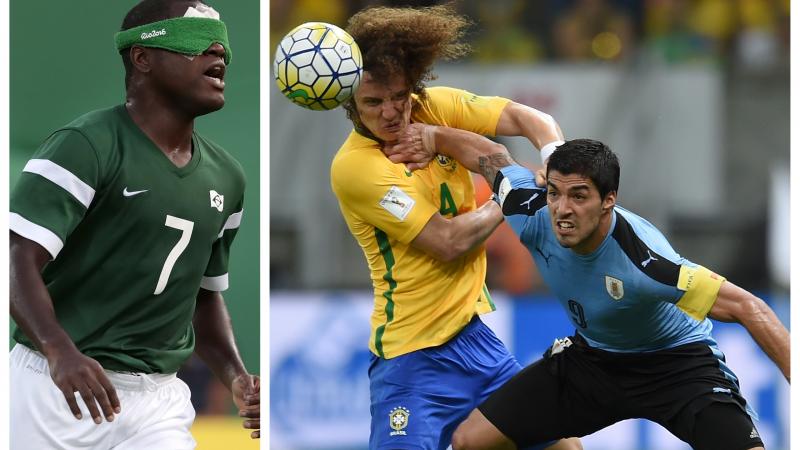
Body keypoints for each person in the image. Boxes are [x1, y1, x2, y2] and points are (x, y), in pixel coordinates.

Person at [384, 132, 790, 450]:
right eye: (556, 192)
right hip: (594, 360)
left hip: (677, 366)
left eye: (579, 196)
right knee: (471, 441)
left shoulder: (645, 260)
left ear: (608, 201)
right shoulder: (530, 208)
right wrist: (431, 136)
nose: (562, 209)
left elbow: (747, 306)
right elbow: (489, 156)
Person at [9, 1, 259, 448]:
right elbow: (15, 261)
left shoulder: (228, 177)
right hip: (53, 390)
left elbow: (202, 296)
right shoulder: (85, 145)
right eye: (197, 44)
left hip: (157, 402)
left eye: (223, 46)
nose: (218, 53)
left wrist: (236, 376)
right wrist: (58, 350)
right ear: (142, 57)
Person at [330, 4, 580, 450]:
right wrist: (515, 192)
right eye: (373, 102)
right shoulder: (356, 168)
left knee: (565, 446)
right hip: (411, 360)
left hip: (475, 341)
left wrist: (553, 160)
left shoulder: (433, 109)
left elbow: (532, 120)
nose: (391, 113)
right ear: (351, 103)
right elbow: (447, 241)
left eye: (399, 97)